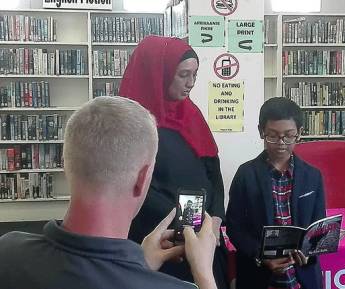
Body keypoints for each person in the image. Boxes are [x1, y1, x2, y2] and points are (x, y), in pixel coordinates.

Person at [0, 97, 218, 289]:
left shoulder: (7, 251)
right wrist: (204, 274)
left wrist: (139, 263)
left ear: (66, 166)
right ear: (142, 179)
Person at [119, 36, 228, 288]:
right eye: (183, 75)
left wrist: (216, 220)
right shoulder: (130, 124)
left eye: (195, 74)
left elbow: (214, 172)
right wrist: (188, 224)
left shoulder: (191, 114)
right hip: (160, 243)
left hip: (203, 238)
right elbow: (136, 188)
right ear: (159, 74)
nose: (191, 83)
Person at [226, 97, 326, 289]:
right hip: (258, 275)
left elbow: (318, 225)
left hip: (302, 276)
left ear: (300, 133)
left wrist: (310, 253)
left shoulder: (313, 176)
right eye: (273, 135)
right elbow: (234, 227)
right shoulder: (246, 174)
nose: (281, 143)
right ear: (261, 131)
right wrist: (260, 256)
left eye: (289, 136)